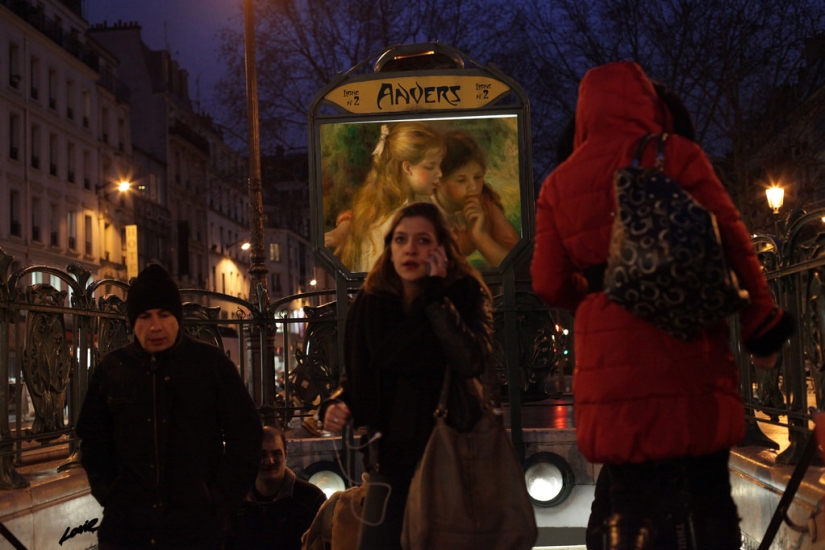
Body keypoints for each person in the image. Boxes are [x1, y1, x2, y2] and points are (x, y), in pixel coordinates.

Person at [530, 61, 795, 550]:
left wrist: (600, 296)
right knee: (707, 491)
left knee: (628, 496)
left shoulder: (559, 183)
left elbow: (546, 282)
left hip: (614, 370)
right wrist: (762, 320)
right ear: (646, 102)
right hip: (688, 345)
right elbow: (735, 241)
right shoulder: (677, 156)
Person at [322, 201, 494, 549]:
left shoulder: (463, 294)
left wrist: (435, 298)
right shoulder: (371, 303)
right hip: (390, 464)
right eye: (400, 239)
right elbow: (358, 377)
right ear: (390, 248)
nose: (410, 249)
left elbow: (472, 361)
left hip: (451, 459)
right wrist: (337, 404)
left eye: (422, 240)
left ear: (441, 248)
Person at [76, 263, 263, 549]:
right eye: (145, 316)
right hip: (127, 531)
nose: (155, 326)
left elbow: (246, 435)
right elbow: (92, 439)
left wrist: (217, 499)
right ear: (131, 322)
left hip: (194, 531)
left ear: (177, 317)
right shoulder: (113, 369)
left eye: (164, 315)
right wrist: (111, 495)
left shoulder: (210, 365)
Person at [329, 122, 445, 272]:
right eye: (430, 166)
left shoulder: (385, 212)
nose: (439, 173)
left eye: (439, 166)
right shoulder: (403, 219)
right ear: (408, 168)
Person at [226, 426, 326, 550]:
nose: (270, 461)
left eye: (276, 453)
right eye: (262, 454)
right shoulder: (234, 500)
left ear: (286, 454)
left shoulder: (312, 499)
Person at [431, 131, 520, 266]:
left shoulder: (485, 205)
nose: (473, 187)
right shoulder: (424, 213)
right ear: (439, 180)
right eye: (461, 180)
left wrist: (479, 235)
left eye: (478, 177)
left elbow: (517, 262)